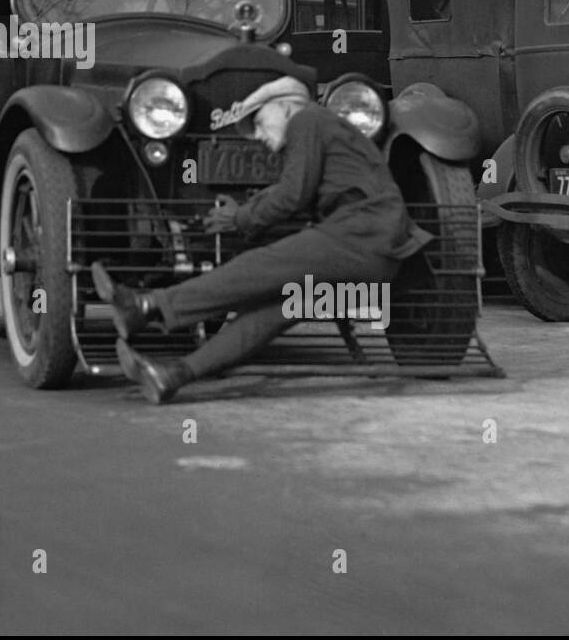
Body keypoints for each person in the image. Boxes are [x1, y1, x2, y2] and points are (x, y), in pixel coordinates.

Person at [91, 75, 433, 404]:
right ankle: (172, 375)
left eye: (258, 121)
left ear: (284, 106)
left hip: (361, 236)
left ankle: (148, 306)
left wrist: (238, 219)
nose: (258, 135)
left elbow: (291, 196)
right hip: (379, 257)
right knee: (268, 311)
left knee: (255, 269)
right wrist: (243, 210)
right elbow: (296, 189)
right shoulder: (325, 129)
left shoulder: (307, 120)